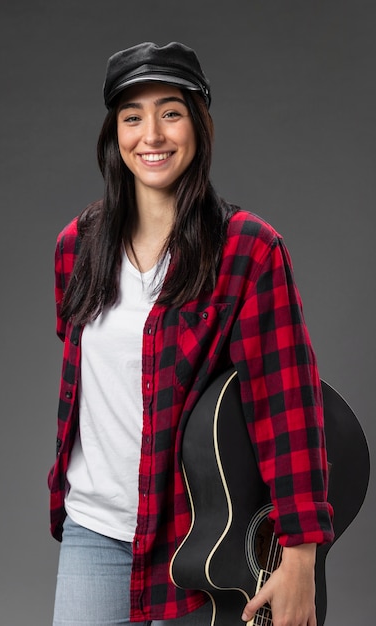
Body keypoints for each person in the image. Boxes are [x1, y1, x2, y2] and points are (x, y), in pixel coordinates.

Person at [48, 41, 334, 626]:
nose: (151, 134)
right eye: (133, 117)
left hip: (195, 541)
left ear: (199, 124)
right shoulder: (75, 248)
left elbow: (288, 403)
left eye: (170, 111)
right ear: (114, 135)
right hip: (93, 529)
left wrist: (301, 555)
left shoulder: (248, 250)